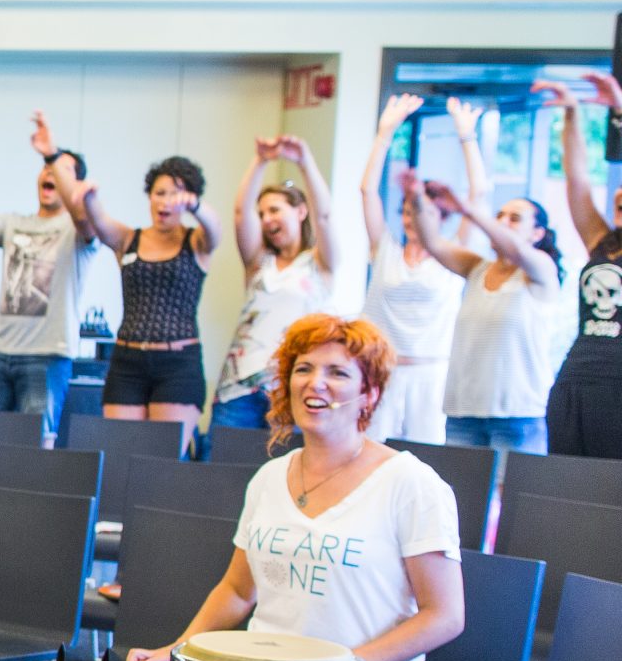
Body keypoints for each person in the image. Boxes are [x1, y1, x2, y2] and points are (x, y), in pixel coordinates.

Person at [128, 314, 463, 661]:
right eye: (303, 369)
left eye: (337, 373)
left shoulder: (411, 483)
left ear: (370, 394)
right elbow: (237, 591)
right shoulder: (269, 478)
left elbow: (444, 615)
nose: (315, 383)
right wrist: (179, 651)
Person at [412, 122, 567, 456]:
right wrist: (417, 198)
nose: (502, 222)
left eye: (514, 218)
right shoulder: (476, 268)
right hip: (463, 412)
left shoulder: (540, 270)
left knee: (514, 490)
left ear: (538, 233)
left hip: (518, 415)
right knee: (461, 488)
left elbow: (517, 251)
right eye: (500, 215)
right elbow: (432, 242)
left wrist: (469, 209)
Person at [57, 149, 222, 450]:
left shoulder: (196, 242)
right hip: (127, 362)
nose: (165, 201)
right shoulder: (128, 238)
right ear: (150, 196)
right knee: (118, 451)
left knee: (162, 457)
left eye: (175, 194)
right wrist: (89, 195)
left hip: (177, 364)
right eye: (159, 193)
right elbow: (98, 221)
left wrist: (196, 206)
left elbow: (215, 230)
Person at [0, 116, 97, 442]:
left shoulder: (78, 229)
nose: (50, 173)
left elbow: (85, 218)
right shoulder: (13, 222)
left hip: (47, 357)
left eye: (61, 170)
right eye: (46, 169)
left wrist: (51, 154)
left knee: (36, 446)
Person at [210, 133, 340, 432]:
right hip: (239, 389)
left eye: (275, 210)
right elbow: (241, 213)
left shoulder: (321, 264)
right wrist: (260, 160)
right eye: (262, 213)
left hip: (293, 390)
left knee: (287, 460)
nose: (267, 219)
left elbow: (325, 216)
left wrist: (305, 161)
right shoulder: (259, 262)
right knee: (224, 460)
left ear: (301, 211)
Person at [357, 93, 466, 444]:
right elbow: (367, 191)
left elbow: (479, 195)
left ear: (440, 218)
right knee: (370, 452)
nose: (411, 219)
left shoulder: (453, 258)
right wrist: (384, 133)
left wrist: (466, 136)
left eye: (420, 212)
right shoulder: (385, 251)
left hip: (430, 374)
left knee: (426, 456)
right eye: (406, 211)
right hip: (383, 370)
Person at [539, 72, 622, 458]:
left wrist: (619, 108)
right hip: (577, 377)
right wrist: (572, 114)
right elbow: (577, 179)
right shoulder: (602, 242)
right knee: (566, 478)